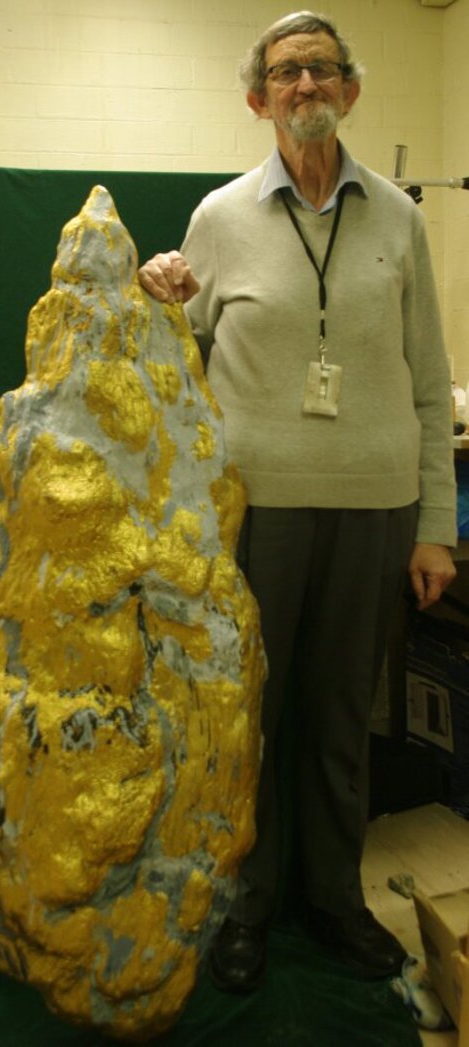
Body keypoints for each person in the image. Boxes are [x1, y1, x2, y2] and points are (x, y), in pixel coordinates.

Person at [138, 10, 457, 992]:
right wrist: (153, 288)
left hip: (375, 509)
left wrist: (435, 528)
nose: (305, 85)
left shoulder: (400, 220)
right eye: (286, 73)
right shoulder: (219, 216)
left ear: (349, 90)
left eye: (322, 68)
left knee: (340, 716)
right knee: (251, 715)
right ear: (258, 99)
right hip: (255, 512)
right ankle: (247, 903)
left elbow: (428, 380)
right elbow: (171, 356)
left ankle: (333, 899)